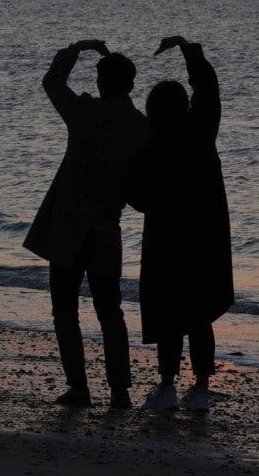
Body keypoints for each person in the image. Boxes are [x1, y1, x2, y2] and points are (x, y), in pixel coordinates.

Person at [23, 39, 149, 408]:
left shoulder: (83, 112)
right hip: (107, 227)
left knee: (65, 308)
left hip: (67, 224)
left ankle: (79, 387)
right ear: (130, 84)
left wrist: (76, 48)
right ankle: (120, 390)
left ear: (101, 81)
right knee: (109, 309)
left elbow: (52, 82)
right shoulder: (142, 127)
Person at [125, 36, 233, 413]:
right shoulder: (201, 133)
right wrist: (190, 50)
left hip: (165, 239)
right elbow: (208, 89)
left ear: (153, 111)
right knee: (199, 315)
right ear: (184, 106)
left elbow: (136, 198)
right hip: (204, 237)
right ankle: (201, 387)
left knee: (169, 314)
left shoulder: (151, 148)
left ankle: (168, 385)